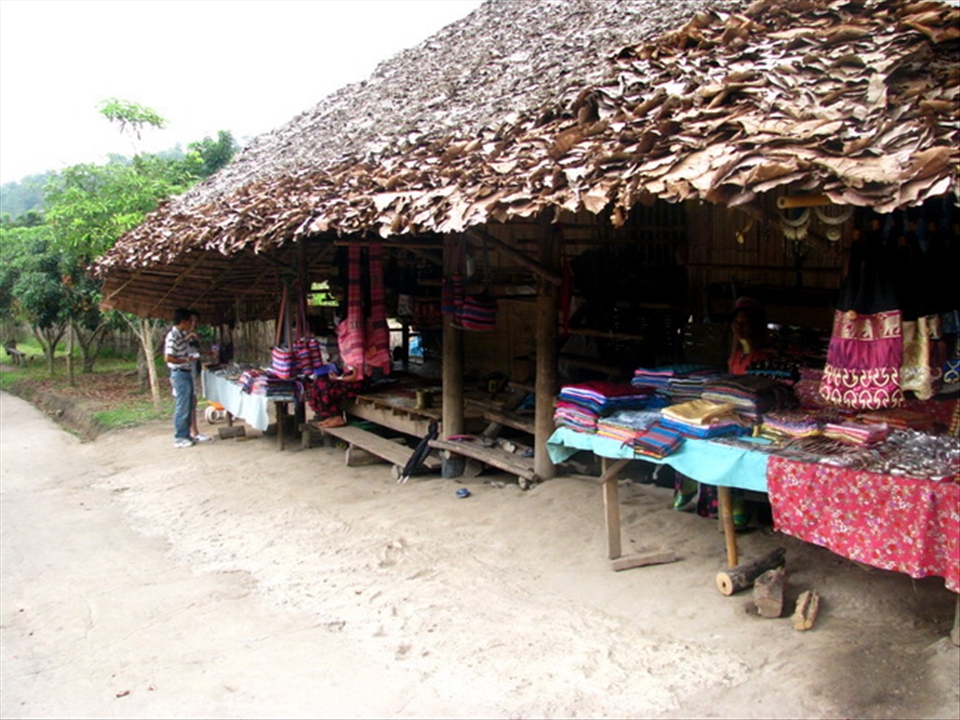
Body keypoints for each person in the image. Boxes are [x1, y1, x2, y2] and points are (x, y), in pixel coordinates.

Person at [674, 297, 769, 524]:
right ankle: (688, 486)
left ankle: (733, 504)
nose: (739, 327)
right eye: (736, 323)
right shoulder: (736, 354)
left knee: (721, 448)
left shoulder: (763, 356)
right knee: (692, 435)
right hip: (732, 410)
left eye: (744, 323)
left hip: (752, 416)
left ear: (756, 326)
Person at [165, 308, 201, 448]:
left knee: (188, 404)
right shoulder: (173, 335)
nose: (191, 324)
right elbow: (168, 357)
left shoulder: (180, 335)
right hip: (179, 373)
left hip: (185, 372)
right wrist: (185, 360)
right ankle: (179, 437)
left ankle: (186, 435)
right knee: (182, 406)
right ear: (183, 321)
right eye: (189, 321)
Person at [306, 362, 364, 428]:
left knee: (327, 389)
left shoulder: (355, 358)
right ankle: (332, 416)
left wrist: (338, 378)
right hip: (346, 378)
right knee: (319, 385)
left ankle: (337, 418)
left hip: (359, 383)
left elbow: (356, 377)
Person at [187, 310, 212, 443]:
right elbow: (174, 356)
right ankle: (191, 432)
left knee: (192, 401)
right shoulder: (180, 336)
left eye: (196, 322)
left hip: (190, 372)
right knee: (188, 402)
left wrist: (202, 352)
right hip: (183, 373)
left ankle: (192, 431)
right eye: (191, 321)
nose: (194, 324)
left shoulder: (191, 337)